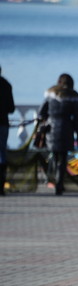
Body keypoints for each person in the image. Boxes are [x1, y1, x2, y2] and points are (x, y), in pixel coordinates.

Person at [38, 74, 78, 196]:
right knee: (62, 159)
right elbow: (77, 119)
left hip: (51, 129)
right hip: (66, 129)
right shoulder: (74, 98)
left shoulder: (50, 95)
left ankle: (51, 180)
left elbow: (41, 112)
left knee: (53, 155)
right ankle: (59, 184)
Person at [0, 65, 15, 196]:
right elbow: (11, 108)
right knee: (2, 154)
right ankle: (1, 186)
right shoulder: (6, 85)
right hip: (3, 123)